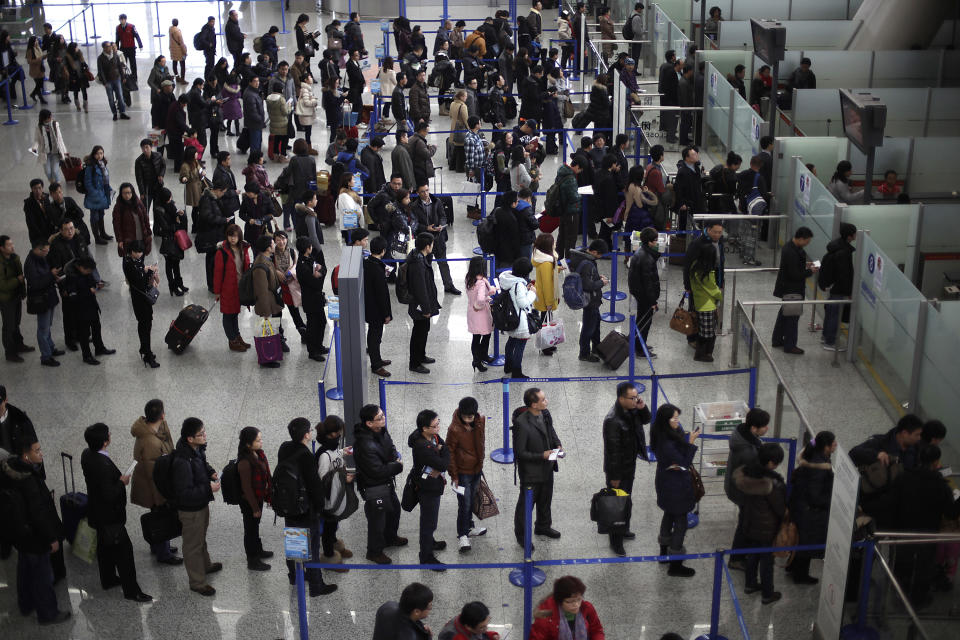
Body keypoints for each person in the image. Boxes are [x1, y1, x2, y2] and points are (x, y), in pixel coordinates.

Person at [2, 436, 72, 625]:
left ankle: (25, 604)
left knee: (24, 568)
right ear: (26, 456)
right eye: (37, 451)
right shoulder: (29, 481)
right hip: (36, 537)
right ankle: (48, 613)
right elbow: (39, 513)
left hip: (19, 534)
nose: (41, 454)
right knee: (43, 576)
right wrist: (52, 538)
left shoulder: (10, 470)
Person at [80, 423, 152, 602]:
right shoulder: (102, 465)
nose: (110, 435)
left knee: (104, 548)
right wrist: (121, 482)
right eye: (108, 434)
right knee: (124, 553)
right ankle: (132, 591)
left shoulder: (87, 454)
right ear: (105, 442)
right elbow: (109, 494)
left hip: (96, 513)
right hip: (110, 517)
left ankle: (109, 578)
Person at [888, 443, 960, 607]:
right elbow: (951, 513)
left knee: (901, 563)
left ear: (919, 458)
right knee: (923, 567)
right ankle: (919, 600)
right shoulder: (941, 486)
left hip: (902, 530)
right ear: (936, 463)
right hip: (927, 533)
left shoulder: (903, 477)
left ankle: (898, 595)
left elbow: (893, 502)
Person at [277, 418, 337, 595]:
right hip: (305, 509)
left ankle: (295, 576)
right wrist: (320, 508)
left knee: (293, 541)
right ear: (306, 435)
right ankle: (317, 586)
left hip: (289, 505)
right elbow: (314, 485)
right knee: (312, 548)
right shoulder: (306, 456)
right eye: (310, 430)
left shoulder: (284, 448)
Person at [171, 417, 222, 596]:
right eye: (201, 434)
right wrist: (208, 488)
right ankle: (197, 582)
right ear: (190, 438)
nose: (204, 436)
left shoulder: (196, 450)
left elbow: (202, 464)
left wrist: (210, 472)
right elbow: (184, 492)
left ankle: (206, 566)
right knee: (192, 544)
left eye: (204, 431)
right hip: (190, 510)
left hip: (200, 504)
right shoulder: (182, 462)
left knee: (200, 537)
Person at [129, 399, 181, 565]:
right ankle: (163, 552)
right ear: (162, 415)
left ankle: (159, 544)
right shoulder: (151, 442)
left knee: (159, 514)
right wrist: (163, 495)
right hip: (153, 486)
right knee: (160, 515)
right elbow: (154, 475)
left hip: (152, 480)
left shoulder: (153, 429)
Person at [651, 403, 700, 577]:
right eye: (674, 418)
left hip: (666, 482)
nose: (677, 422)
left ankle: (664, 552)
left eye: (678, 417)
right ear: (666, 421)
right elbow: (684, 463)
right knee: (680, 521)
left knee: (669, 514)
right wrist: (691, 443)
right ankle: (675, 563)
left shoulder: (661, 433)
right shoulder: (667, 444)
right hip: (676, 485)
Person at [354, 404, 407, 565]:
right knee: (377, 520)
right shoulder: (365, 445)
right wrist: (397, 466)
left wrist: (392, 459)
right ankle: (374, 552)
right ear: (369, 423)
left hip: (386, 482)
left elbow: (390, 447)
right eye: (380, 418)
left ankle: (390, 537)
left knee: (394, 511)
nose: (384, 419)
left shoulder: (381, 431)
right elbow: (377, 471)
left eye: (383, 415)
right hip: (374, 486)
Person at [734, 443, 786, 604]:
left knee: (752, 555)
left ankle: (750, 584)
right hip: (767, 527)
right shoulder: (771, 483)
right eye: (777, 462)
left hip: (749, 522)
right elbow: (779, 508)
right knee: (767, 561)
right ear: (770, 463)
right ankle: (767, 594)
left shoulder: (745, 474)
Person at [602, 382, 651, 556]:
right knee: (617, 505)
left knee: (627, 500)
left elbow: (646, 419)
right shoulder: (612, 420)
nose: (635, 400)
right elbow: (613, 452)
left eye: (637, 397)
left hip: (630, 464)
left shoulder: (632, 409)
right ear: (621, 398)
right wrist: (615, 476)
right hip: (618, 470)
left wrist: (642, 407)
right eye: (632, 398)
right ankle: (615, 541)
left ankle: (624, 529)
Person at [850, 415, 924, 526]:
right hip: (872, 500)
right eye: (916, 435)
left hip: (897, 503)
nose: (919, 438)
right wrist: (876, 455)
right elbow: (854, 452)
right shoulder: (880, 442)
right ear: (904, 433)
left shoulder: (915, 449)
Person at [513, 387, 563, 547]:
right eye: (542, 400)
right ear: (533, 405)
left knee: (545, 499)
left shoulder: (545, 414)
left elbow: (551, 430)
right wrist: (542, 455)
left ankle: (543, 526)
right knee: (526, 506)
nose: (546, 401)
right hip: (531, 473)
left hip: (547, 467)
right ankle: (522, 537)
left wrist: (558, 444)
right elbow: (520, 453)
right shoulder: (522, 424)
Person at [723, 408, 770, 567]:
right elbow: (756, 476)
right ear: (754, 428)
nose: (767, 428)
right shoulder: (748, 452)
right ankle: (737, 559)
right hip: (743, 491)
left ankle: (740, 555)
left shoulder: (742, 434)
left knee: (745, 521)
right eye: (764, 426)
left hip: (735, 485)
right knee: (745, 524)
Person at [788, 430, 836, 584]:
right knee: (806, 543)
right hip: (809, 511)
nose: (836, 445)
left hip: (800, 505)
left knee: (801, 540)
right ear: (827, 447)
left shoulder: (811, 456)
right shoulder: (819, 466)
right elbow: (815, 495)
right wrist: (830, 502)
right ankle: (800, 575)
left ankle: (792, 567)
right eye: (833, 442)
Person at [407, 410, 450, 570]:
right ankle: (426, 556)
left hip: (432, 483)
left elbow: (444, 447)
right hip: (428, 488)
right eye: (435, 425)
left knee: (430, 520)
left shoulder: (432, 436)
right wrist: (442, 451)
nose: (438, 427)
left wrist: (442, 450)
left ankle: (430, 542)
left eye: (438, 423)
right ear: (424, 428)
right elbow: (444, 463)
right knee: (428, 522)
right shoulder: (422, 447)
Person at [445, 397, 489, 555]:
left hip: (476, 469)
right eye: (466, 416)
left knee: (471, 501)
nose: (468, 419)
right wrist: (454, 475)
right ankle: (462, 534)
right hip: (463, 473)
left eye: (471, 416)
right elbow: (448, 452)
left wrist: (480, 464)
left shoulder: (480, 420)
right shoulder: (454, 429)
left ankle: (469, 527)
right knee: (464, 504)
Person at [62, 256, 115, 365]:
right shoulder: (71, 277)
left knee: (96, 327)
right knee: (84, 333)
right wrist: (89, 291)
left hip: (91, 305)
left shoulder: (86, 271)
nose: (89, 272)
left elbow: (90, 281)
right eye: (88, 271)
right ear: (81, 267)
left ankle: (99, 348)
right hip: (80, 309)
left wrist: (95, 285)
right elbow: (72, 296)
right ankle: (87, 355)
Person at [772, 226, 816, 354]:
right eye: (807, 241)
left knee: (784, 314)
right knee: (792, 317)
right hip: (793, 290)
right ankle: (790, 345)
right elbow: (795, 274)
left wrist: (805, 265)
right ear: (801, 239)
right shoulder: (791, 252)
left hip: (787, 288)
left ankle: (777, 339)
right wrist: (810, 271)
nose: (807, 244)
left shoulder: (790, 247)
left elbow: (794, 267)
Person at [235, 427, 272, 571]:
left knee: (255, 526)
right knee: (250, 530)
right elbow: (247, 488)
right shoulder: (244, 463)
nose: (261, 442)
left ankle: (258, 550)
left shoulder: (258, 454)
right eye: (258, 440)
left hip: (258, 498)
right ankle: (252, 560)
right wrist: (255, 508)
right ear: (248, 444)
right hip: (250, 502)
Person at [682, 220, 725, 347]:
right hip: (698, 286)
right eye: (715, 232)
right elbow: (687, 266)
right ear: (708, 229)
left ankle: (704, 336)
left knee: (709, 312)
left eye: (720, 233)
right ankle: (692, 338)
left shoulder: (719, 242)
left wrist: (721, 281)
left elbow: (720, 262)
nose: (718, 235)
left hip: (714, 281)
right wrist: (687, 286)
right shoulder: (697, 244)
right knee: (694, 313)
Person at [411, 182, 459, 294]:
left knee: (443, 262)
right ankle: (427, 288)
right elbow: (415, 224)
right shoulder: (414, 207)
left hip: (438, 238)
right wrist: (426, 228)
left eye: (427, 190)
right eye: (422, 191)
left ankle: (448, 285)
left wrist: (441, 225)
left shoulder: (437, 202)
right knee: (426, 265)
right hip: (424, 240)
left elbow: (443, 216)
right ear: (418, 193)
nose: (426, 193)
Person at [567, 240, 609, 363]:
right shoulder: (587, 263)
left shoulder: (582, 257)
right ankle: (584, 353)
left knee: (595, 325)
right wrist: (602, 282)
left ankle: (596, 347)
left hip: (591, 300)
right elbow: (587, 285)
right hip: (590, 300)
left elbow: (586, 278)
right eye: (600, 255)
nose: (600, 257)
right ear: (595, 252)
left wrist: (597, 277)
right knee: (588, 328)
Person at [405, 232, 441, 373]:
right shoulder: (418, 263)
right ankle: (414, 363)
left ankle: (421, 355)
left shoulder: (420, 257)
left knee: (424, 330)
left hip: (422, 304)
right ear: (427, 246)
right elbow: (421, 289)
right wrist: (426, 309)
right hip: (420, 305)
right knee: (418, 333)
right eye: (431, 244)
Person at [23, 239, 62, 366]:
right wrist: (51, 275)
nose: (47, 253)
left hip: (48, 297)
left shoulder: (40, 258)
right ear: (39, 249)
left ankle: (50, 348)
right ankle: (46, 356)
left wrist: (53, 277)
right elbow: (36, 284)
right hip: (41, 300)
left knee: (47, 325)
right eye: (46, 251)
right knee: (43, 328)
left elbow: (44, 276)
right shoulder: (30, 263)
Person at [529, 575, 605, 640]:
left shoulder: (587, 608)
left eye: (579, 599)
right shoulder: (545, 616)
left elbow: (597, 630)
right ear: (559, 601)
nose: (576, 605)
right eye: (569, 601)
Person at [213, 224, 251, 351]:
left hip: (240, 287)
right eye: (230, 236)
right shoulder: (222, 252)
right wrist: (217, 291)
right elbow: (217, 273)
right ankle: (232, 340)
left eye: (235, 236)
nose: (232, 239)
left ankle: (237, 336)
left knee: (235, 313)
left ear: (239, 236)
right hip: (227, 288)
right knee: (228, 315)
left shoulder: (243, 249)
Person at [122, 241, 160, 368]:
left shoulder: (136, 260)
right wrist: (149, 272)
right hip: (139, 299)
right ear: (131, 251)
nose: (140, 254)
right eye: (137, 252)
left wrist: (146, 270)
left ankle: (144, 349)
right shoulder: (128, 264)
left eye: (141, 252)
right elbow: (139, 281)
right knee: (144, 325)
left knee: (146, 324)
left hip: (142, 297)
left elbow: (140, 272)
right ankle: (147, 354)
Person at [820, 222, 857, 351]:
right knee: (835, 314)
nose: (855, 236)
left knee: (830, 312)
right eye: (854, 234)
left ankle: (826, 336)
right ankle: (830, 341)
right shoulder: (844, 252)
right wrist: (849, 291)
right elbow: (844, 274)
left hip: (833, 285)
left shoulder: (836, 247)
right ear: (849, 236)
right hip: (839, 287)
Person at [627, 228, 661, 356]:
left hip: (639, 292)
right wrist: (652, 301)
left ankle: (639, 343)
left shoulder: (640, 253)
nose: (657, 243)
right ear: (650, 242)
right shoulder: (646, 258)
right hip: (645, 295)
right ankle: (640, 349)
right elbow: (648, 282)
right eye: (655, 240)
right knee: (645, 322)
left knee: (641, 320)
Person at [294, 236, 328, 362]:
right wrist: (321, 274)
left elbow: (321, 268)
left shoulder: (309, 259)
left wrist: (320, 272)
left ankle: (319, 346)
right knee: (313, 326)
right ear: (308, 249)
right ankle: (312, 351)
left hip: (317, 298)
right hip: (310, 300)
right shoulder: (302, 266)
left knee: (322, 322)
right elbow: (317, 284)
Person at [252, 236, 284, 367]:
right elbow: (262, 291)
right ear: (268, 248)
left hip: (272, 301)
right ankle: (267, 359)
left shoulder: (267, 259)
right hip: (267, 304)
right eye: (273, 243)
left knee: (273, 330)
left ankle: (273, 353)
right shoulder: (260, 265)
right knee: (267, 333)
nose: (275, 245)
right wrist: (265, 312)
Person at [688, 241, 722, 362]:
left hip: (699, 302)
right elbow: (713, 289)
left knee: (704, 329)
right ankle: (701, 354)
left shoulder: (695, 267)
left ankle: (705, 353)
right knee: (708, 332)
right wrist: (722, 296)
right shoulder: (706, 272)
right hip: (707, 305)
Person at [362, 236, 391, 375]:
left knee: (374, 336)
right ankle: (376, 365)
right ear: (383, 251)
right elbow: (382, 295)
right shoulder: (377, 269)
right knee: (375, 337)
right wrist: (387, 314)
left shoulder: (367, 263)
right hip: (377, 310)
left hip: (369, 306)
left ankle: (377, 359)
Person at [0, 236, 31, 363]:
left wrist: (23, 291)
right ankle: (10, 352)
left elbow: (20, 275)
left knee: (16, 323)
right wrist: (17, 281)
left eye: (12, 244)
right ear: (1, 248)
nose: (12, 246)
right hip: (6, 299)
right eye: (9, 245)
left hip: (16, 296)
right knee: (9, 326)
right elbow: (3, 285)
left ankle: (19, 344)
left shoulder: (14, 257)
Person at [464, 256, 495, 371]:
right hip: (481, 313)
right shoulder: (481, 282)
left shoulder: (469, 278)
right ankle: (480, 358)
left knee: (476, 337)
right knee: (486, 335)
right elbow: (481, 299)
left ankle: (477, 359)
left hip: (471, 312)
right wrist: (483, 302)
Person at [83, 146, 115, 245]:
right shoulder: (90, 166)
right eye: (97, 153)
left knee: (101, 214)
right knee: (94, 217)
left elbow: (105, 179)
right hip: (95, 195)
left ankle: (103, 233)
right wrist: (94, 193)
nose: (99, 155)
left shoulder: (102, 164)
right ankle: (97, 238)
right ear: (93, 154)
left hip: (102, 193)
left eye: (101, 153)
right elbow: (87, 182)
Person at [112, 183, 152, 259]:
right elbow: (116, 225)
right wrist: (119, 239)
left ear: (132, 193)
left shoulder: (138, 203)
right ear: (121, 194)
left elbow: (145, 219)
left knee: (140, 260)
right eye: (124, 193)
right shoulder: (118, 207)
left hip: (141, 238)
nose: (127, 195)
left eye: (129, 193)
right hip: (128, 240)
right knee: (129, 262)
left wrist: (149, 233)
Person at [30, 110, 68, 187]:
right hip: (45, 153)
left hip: (56, 152)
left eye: (51, 116)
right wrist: (34, 147)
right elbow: (37, 139)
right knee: (48, 171)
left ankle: (57, 185)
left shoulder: (55, 124)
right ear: (44, 118)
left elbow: (60, 139)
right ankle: (52, 183)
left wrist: (64, 151)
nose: (51, 118)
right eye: (49, 117)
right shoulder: (39, 127)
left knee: (54, 170)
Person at [96, 42, 129, 120]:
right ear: (104, 48)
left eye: (110, 46)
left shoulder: (115, 55)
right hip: (108, 81)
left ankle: (122, 112)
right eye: (108, 46)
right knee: (111, 98)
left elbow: (119, 66)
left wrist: (123, 76)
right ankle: (114, 113)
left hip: (117, 78)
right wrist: (104, 82)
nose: (110, 47)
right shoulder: (100, 58)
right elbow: (101, 71)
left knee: (120, 96)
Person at [133, 139, 165, 215]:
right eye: (143, 148)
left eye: (147, 147)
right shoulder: (139, 161)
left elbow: (163, 166)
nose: (145, 150)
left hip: (158, 186)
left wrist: (161, 175)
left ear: (151, 147)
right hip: (147, 189)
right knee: (144, 210)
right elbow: (139, 178)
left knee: (158, 210)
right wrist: (142, 193)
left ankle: (157, 226)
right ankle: (146, 226)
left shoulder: (158, 156)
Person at [658, 50, 679, 143]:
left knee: (665, 113)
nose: (676, 57)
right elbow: (672, 85)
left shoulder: (663, 66)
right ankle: (670, 137)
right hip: (669, 97)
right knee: (671, 117)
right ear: (672, 57)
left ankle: (664, 129)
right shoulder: (671, 68)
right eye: (674, 56)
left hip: (663, 94)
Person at [242, 76, 266, 153]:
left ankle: (257, 159)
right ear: (250, 82)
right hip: (254, 123)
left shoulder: (253, 92)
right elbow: (252, 112)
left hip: (255, 123)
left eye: (258, 81)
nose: (257, 83)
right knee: (255, 143)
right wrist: (260, 120)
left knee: (257, 142)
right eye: (255, 81)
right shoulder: (250, 95)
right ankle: (254, 161)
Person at [115, 14, 143, 80]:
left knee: (133, 63)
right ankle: (123, 76)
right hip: (123, 49)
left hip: (131, 48)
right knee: (123, 63)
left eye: (122, 19)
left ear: (125, 19)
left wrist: (140, 45)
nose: (121, 21)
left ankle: (134, 76)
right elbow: (117, 39)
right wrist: (117, 48)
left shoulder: (131, 27)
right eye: (120, 20)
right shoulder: (118, 28)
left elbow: (137, 36)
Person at [295, 72, 319, 147]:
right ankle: (307, 147)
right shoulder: (305, 90)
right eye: (310, 77)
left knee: (308, 132)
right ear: (306, 80)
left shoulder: (307, 88)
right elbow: (306, 102)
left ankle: (308, 147)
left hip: (307, 115)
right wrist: (314, 101)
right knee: (308, 132)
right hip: (306, 115)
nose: (311, 78)